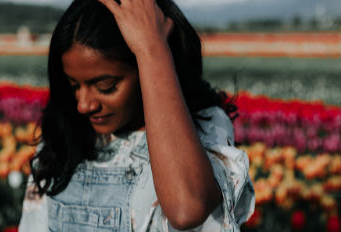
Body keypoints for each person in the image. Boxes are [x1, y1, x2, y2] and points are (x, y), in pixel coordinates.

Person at [18, 0, 255, 231]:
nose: (83, 105)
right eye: (74, 86)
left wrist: (152, 47)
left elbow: (187, 209)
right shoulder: (63, 142)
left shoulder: (205, 127)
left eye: (106, 86)